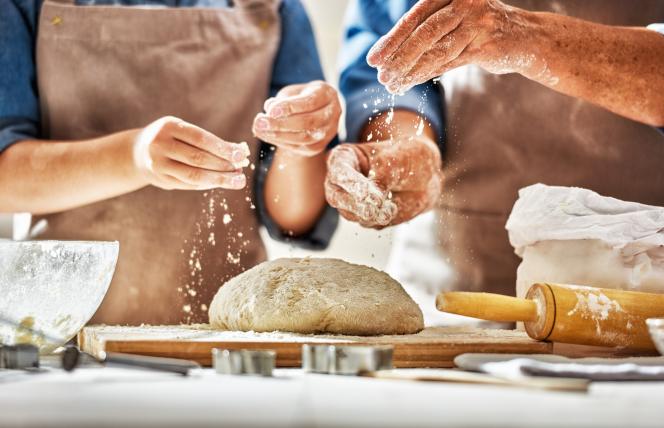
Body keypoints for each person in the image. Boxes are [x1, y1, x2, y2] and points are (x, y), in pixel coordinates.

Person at [0, 0, 341, 324]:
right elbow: (6, 182)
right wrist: (133, 157)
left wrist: (301, 142)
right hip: (65, 334)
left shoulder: (275, 7)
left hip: (226, 340)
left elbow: (295, 219)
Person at [329, 0, 664, 314]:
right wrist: (411, 148)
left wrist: (523, 36)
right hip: (452, 290)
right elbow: (391, 50)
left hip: (640, 282)